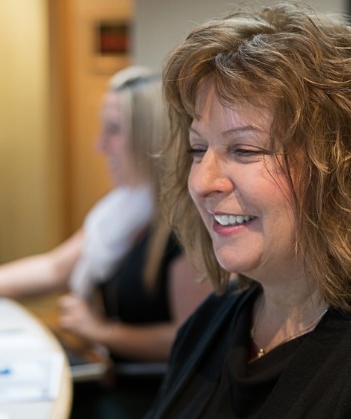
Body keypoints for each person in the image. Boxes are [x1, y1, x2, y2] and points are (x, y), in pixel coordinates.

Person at [0, 66, 210, 417]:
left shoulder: (184, 225)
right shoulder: (124, 209)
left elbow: (190, 337)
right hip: (117, 379)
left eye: (113, 130)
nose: (100, 144)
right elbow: (53, 267)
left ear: (150, 138)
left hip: (157, 395)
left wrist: (102, 331)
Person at [145, 3, 351, 418]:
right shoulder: (209, 324)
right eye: (198, 149)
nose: (203, 182)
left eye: (245, 150)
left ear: (337, 171)